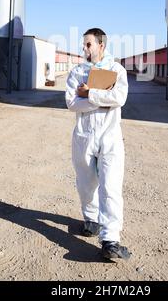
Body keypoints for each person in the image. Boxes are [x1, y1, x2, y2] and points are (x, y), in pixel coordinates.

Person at [65, 28, 131, 260]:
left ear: (101, 45)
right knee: (86, 183)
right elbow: (72, 103)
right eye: (84, 44)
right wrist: (101, 99)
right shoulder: (77, 72)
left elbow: (119, 98)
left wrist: (89, 94)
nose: (85, 48)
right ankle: (91, 219)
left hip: (110, 136)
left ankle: (110, 240)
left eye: (89, 44)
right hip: (84, 136)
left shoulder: (117, 70)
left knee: (111, 187)